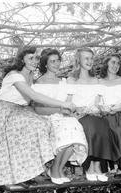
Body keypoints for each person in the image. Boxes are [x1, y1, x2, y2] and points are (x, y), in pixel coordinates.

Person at [0, 45, 76, 186]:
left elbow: (32, 101)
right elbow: (33, 95)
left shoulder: (30, 76)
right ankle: (27, 173)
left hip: (21, 110)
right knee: (35, 127)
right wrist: (62, 104)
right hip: (6, 111)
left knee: (45, 125)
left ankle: (39, 169)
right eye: (30, 58)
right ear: (22, 59)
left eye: (36, 58)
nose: (34, 61)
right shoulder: (15, 75)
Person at [32, 48, 88, 185]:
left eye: (58, 60)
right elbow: (38, 109)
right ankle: (56, 169)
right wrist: (59, 109)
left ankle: (57, 169)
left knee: (74, 128)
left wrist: (72, 111)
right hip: (49, 117)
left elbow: (69, 104)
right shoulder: (40, 83)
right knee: (67, 129)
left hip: (64, 117)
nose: (56, 64)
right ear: (45, 64)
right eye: (52, 61)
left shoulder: (63, 82)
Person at [66, 48, 121, 182]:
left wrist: (99, 109)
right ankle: (89, 168)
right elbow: (68, 103)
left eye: (91, 58)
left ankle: (98, 167)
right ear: (78, 60)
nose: (89, 61)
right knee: (90, 124)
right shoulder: (72, 79)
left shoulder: (95, 80)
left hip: (93, 115)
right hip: (78, 116)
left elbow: (97, 103)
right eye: (86, 58)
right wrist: (79, 111)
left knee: (103, 123)